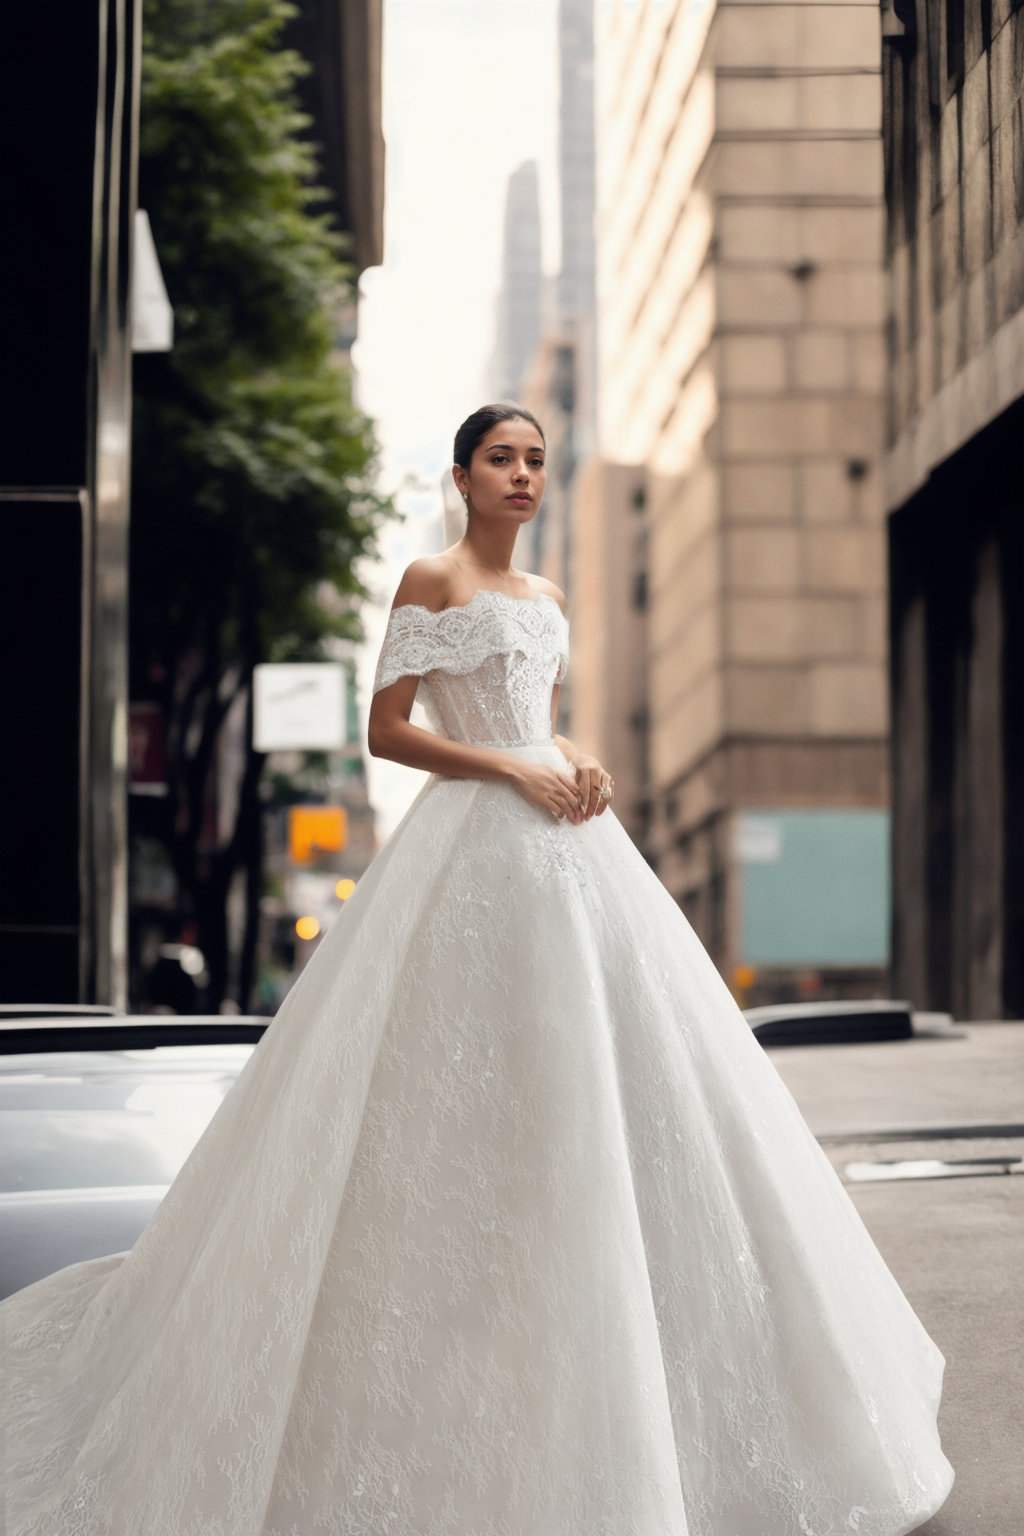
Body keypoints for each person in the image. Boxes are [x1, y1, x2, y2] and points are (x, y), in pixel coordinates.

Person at [1, 403, 952, 1536]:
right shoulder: (430, 579)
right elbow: (388, 731)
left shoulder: (547, 601)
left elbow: (535, 720)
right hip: (471, 844)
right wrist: (509, 771)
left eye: (537, 459)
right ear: (461, 476)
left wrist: (571, 757)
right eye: (501, 457)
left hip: (564, 843)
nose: (522, 474)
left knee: (605, 1073)